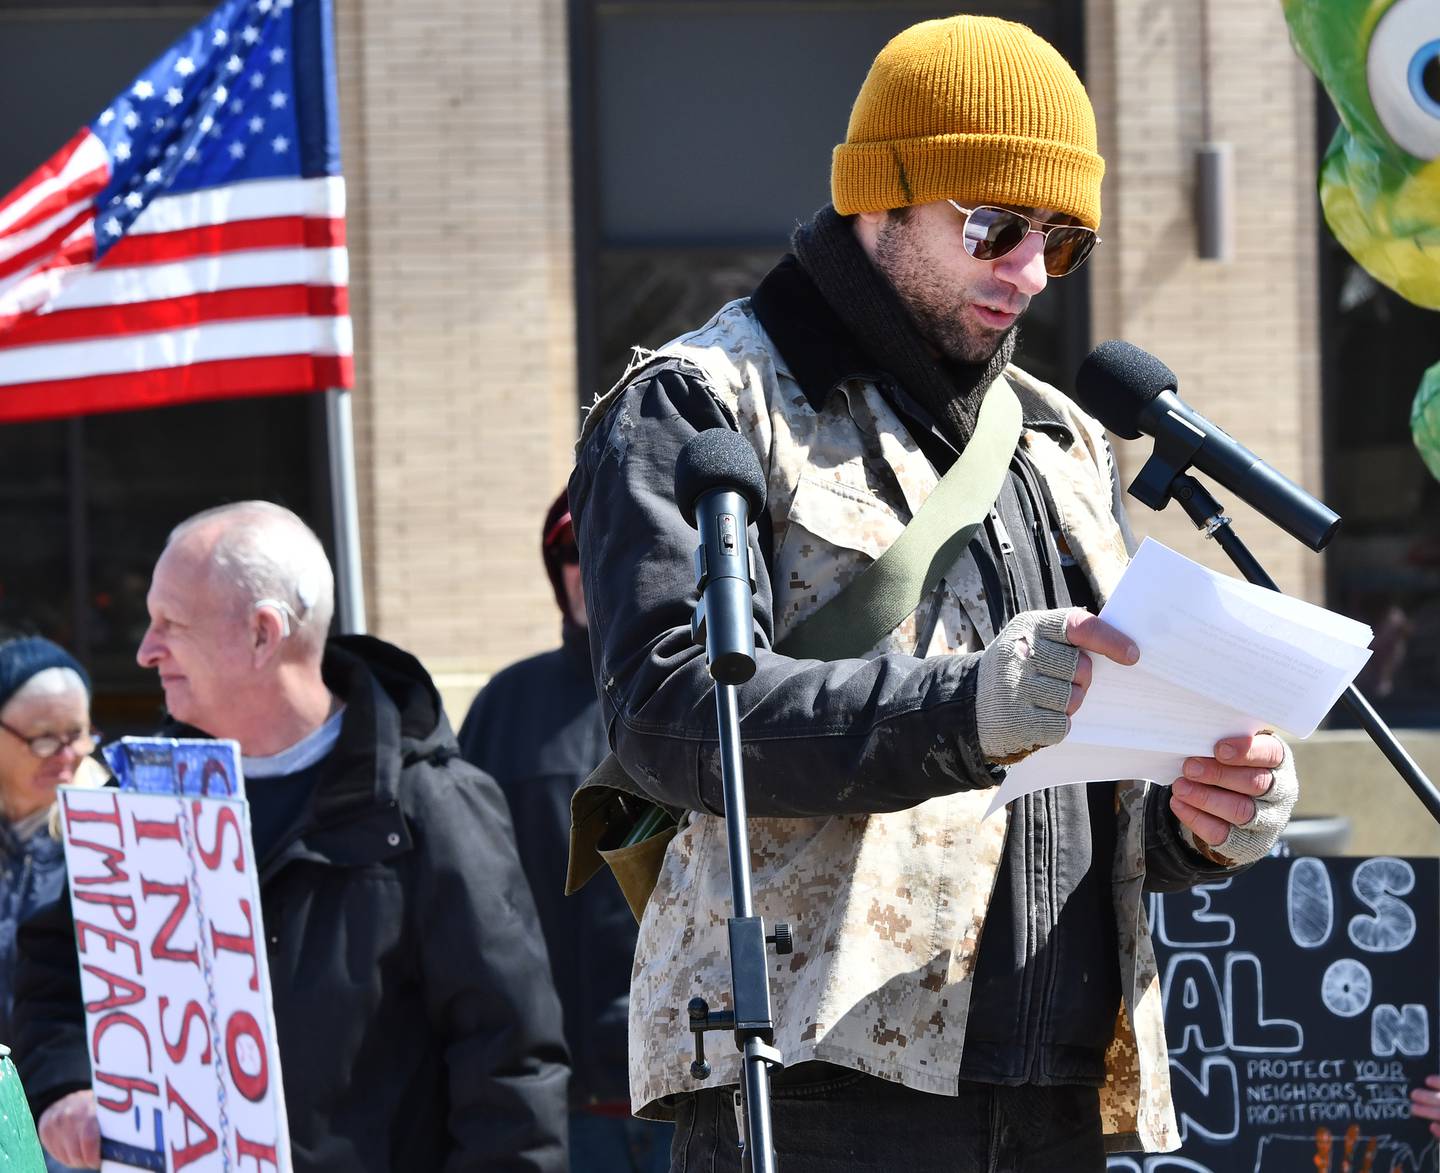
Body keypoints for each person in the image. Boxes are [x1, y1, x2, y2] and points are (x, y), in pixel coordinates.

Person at [567, 15, 1300, 1171]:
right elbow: (667, 724)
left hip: (1060, 1093)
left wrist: (1196, 816)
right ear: (879, 199)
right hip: (816, 1087)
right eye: (992, 226)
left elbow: (1075, 786)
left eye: (1061, 242)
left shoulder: (1059, 440)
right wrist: (966, 711)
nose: (1025, 271)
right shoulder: (703, 403)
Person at [15, 501, 569, 1172]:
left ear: (262, 634)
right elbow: (53, 968)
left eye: (171, 624)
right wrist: (68, 1084)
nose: (144, 649)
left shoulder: (429, 805)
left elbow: (509, 1065)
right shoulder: (141, 793)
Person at [459, 490, 670, 1173]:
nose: (587, 567)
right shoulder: (506, 706)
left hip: (692, 1086)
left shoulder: (705, 700)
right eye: (569, 553)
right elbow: (468, 907)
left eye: (604, 547)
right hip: (567, 1101)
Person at [0, 636, 105, 1173]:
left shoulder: (109, 836)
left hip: (72, 1119)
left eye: (79, 733)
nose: (68, 755)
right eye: (43, 740)